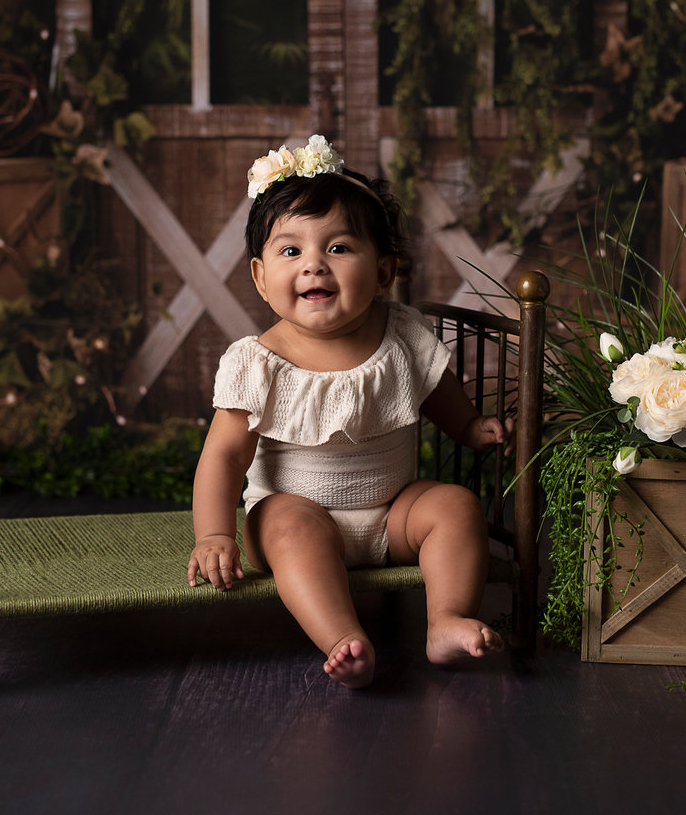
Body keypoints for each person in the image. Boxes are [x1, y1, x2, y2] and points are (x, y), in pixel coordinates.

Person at [187, 135, 508, 688]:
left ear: (383, 271)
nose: (314, 265)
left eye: (338, 248)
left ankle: (445, 619)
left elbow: (436, 388)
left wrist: (468, 425)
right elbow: (222, 457)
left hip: (393, 515)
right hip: (298, 515)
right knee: (288, 526)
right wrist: (215, 534)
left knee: (454, 505)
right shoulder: (257, 362)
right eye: (291, 251)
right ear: (262, 278)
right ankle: (342, 638)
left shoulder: (403, 332)